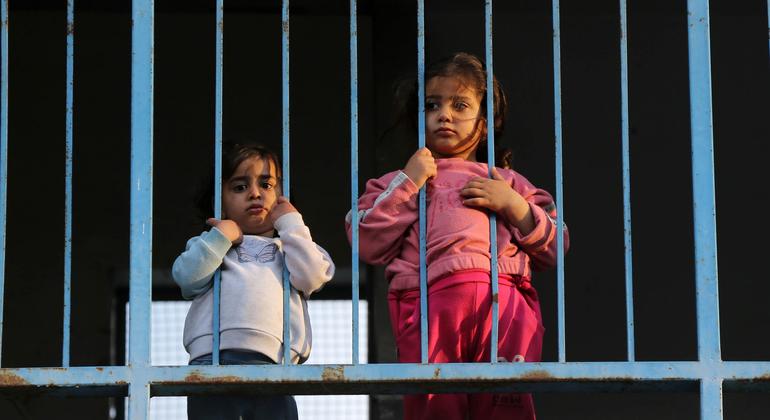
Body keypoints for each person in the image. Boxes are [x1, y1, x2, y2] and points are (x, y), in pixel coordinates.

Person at [345, 52, 569, 420]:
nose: (444, 114)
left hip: (504, 306)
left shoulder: (508, 183)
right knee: (436, 406)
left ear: (485, 122)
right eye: (432, 104)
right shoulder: (397, 183)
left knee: (505, 405)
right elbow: (365, 239)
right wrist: (409, 181)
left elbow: (556, 245)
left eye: (460, 104)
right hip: (428, 308)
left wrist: (514, 206)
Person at [173, 143, 335, 420]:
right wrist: (220, 237)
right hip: (211, 361)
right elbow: (186, 278)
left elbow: (312, 276)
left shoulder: (294, 246)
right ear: (220, 201)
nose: (255, 193)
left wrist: (292, 224)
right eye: (239, 187)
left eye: (267, 184)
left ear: (281, 196)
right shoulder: (210, 244)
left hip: (274, 364)